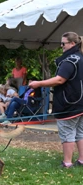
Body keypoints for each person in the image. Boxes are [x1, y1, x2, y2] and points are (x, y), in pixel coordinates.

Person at [29, 31, 83, 168]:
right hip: (81, 103)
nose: (61, 46)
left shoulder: (70, 60)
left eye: (63, 43)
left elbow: (60, 79)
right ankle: (82, 160)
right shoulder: (81, 58)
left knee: (67, 132)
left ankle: (67, 163)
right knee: (80, 132)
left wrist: (38, 83)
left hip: (70, 103)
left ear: (72, 43)